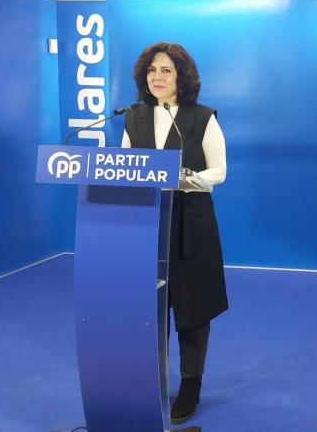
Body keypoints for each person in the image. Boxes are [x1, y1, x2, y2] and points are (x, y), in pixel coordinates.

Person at [121, 42, 228, 424]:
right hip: (146, 224)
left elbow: (220, 170)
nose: (158, 77)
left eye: (166, 70)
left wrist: (187, 179)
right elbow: (124, 167)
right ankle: (151, 378)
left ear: (182, 76)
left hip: (191, 224)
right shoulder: (133, 117)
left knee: (193, 308)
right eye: (152, 70)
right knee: (149, 309)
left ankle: (191, 384)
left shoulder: (202, 117)